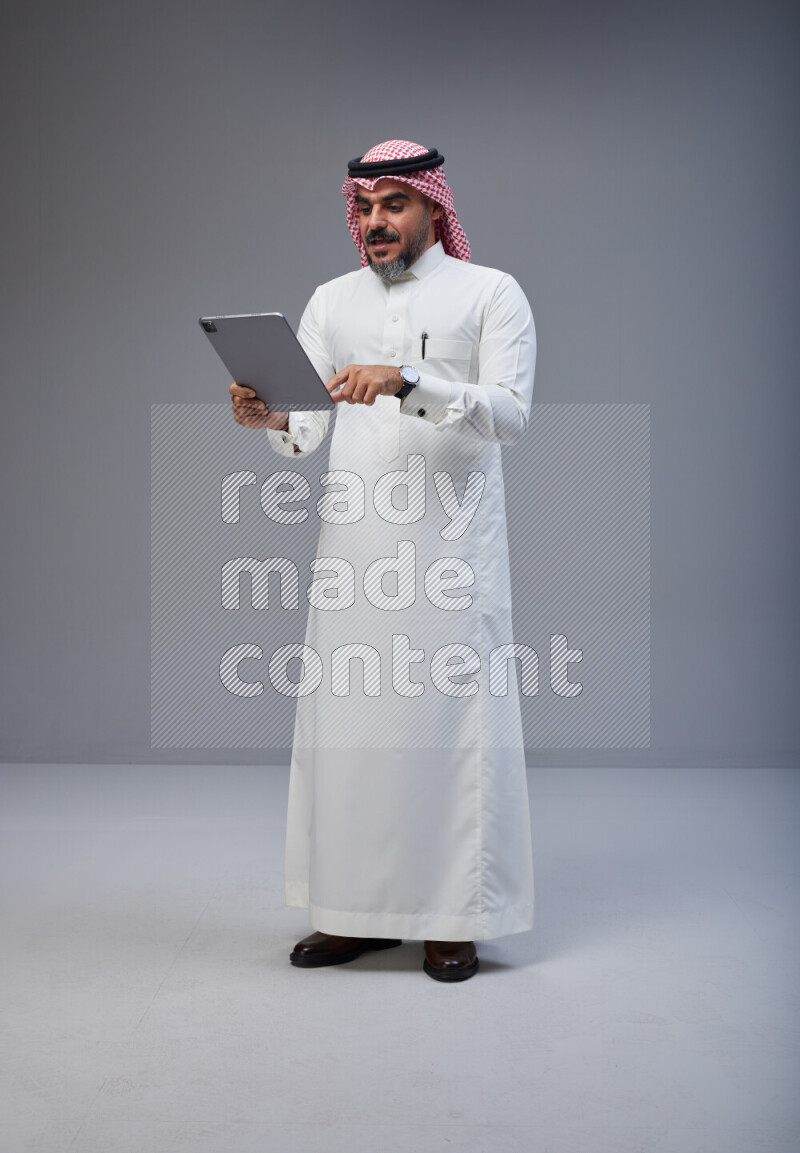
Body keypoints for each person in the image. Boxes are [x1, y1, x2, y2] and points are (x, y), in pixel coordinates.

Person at [229, 139, 536, 982]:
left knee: (446, 731)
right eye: (364, 206)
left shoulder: (491, 293)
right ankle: (352, 913)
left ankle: (452, 919)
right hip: (354, 553)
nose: (376, 221)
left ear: (435, 207)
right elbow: (307, 425)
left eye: (394, 203)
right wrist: (268, 417)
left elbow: (510, 415)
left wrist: (408, 380)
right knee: (353, 734)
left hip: (449, 556)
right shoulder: (330, 302)